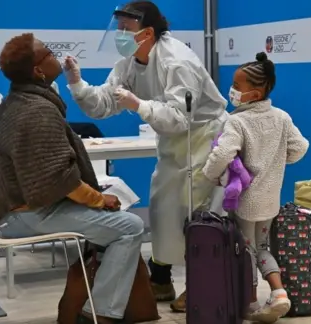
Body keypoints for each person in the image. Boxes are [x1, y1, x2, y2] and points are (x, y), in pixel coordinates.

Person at [63, 0, 227, 312]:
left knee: (197, 215)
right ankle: (162, 280)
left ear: (147, 32)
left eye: (126, 28)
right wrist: (77, 83)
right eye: (119, 27)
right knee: (164, 211)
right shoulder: (129, 61)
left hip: (204, 140)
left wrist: (139, 105)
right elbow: (103, 105)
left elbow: (181, 116)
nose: (120, 34)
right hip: (173, 143)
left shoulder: (177, 62)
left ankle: (202, 287)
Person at [0, 33, 144, 324]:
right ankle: (101, 314)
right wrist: (98, 199)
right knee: (131, 227)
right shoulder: (38, 111)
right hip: (29, 213)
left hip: (20, 208)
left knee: (114, 219)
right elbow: (58, 179)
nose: (57, 57)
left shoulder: (17, 102)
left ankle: (97, 305)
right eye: (49, 53)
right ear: (38, 70)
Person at [203, 52, 309, 322]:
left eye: (238, 87)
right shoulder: (282, 117)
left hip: (246, 200)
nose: (233, 91)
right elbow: (300, 148)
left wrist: (210, 175)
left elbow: (222, 153)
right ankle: (279, 292)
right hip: (270, 199)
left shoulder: (237, 121)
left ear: (256, 92)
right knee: (262, 246)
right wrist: (276, 163)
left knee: (246, 249)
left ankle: (250, 302)